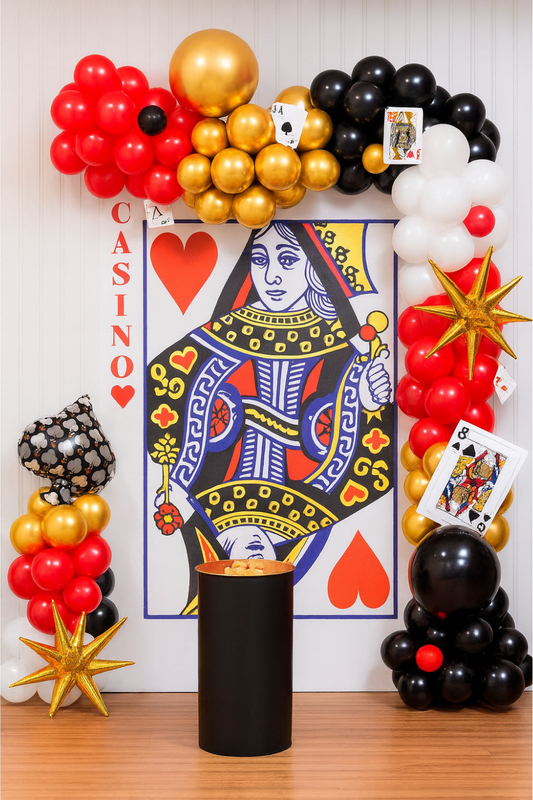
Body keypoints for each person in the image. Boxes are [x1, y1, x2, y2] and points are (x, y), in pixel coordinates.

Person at [147, 220, 394, 613]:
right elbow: (166, 379)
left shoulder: (341, 345)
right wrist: (179, 483)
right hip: (220, 495)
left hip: (299, 498)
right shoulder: (221, 334)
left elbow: (361, 453)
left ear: (314, 269)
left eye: (287, 260)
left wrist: (363, 396)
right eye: (260, 260)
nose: (271, 275)